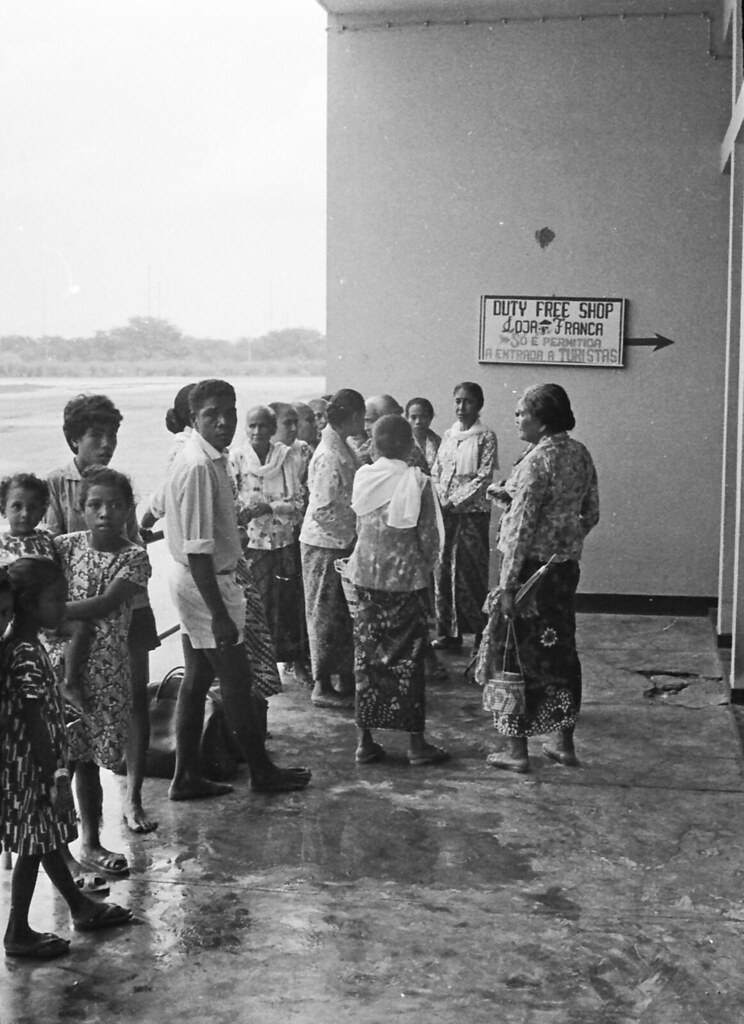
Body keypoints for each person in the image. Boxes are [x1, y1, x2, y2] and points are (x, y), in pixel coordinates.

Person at [162, 378, 311, 798]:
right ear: (194, 419)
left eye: (229, 412)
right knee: (237, 681)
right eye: (212, 414)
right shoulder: (195, 466)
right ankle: (262, 772)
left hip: (207, 580)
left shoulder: (211, 458)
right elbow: (196, 551)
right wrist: (220, 614)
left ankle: (184, 776)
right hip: (205, 584)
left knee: (195, 683)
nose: (224, 422)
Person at [1, 558, 132, 959]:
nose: (63, 607)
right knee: (33, 846)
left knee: (45, 839)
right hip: (34, 771)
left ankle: (79, 907)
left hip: (31, 769)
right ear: (28, 605)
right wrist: (56, 775)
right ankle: (17, 931)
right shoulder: (23, 653)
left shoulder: (22, 646)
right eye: (55, 599)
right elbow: (35, 723)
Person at [45, 393, 159, 835]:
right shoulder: (56, 484)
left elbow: (132, 542)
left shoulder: (117, 483)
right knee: (80, 713)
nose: (107, 444)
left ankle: (132, 798)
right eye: (96, 436)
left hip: (126, 606)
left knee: (134, 700)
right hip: (73, 619)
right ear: (74, 439)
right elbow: (47, 548)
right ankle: (75, 823)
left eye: (113, 436)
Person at [475, 383, 599, 773]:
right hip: (563, 570)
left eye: (522, 413)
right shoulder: (579, 454)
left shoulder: (535, 462)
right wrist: (564, 538)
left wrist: (508, 586)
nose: (516, 420)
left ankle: (515, 751)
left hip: (529, 572)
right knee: (560, 652)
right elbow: (590, 513)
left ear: (542, 418)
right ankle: (563, 743)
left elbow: (520, 531)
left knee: (514, 654)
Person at [50, 467, 152, 878]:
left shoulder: (134, 557)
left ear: (129, 510)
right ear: (81, 509)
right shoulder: (64, 547)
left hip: (107, 671)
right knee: (62, 764)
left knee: (89, 759)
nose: (104, 513)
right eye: (95, 505)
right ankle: (59, 850)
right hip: (60, 668)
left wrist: (48, 614)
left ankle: (90, 842)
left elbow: (103, 605)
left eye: (114, 505)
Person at [345, 415, 449, 766]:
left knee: (367, 660)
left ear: (374, 444)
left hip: (366, 579)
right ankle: (415, 744)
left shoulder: (363, 477)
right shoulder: (418, 483)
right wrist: (421, 571)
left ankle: (365, 741)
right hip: (405, 583)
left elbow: (359, 526)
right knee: (408, 662)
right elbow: (431, 542)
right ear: (410, 445)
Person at [230, 405, 310, 686]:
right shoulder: (237, 459)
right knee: (256, 606)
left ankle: (296, 662)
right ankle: (261, 670)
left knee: (290, 603)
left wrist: (268, 507)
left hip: (283, 542)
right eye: (252, 426)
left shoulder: (287, 457)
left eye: (263, 426)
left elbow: (298, 503)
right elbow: (230, 501)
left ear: (272, 428)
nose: (257, 432)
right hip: (252, 545)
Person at [299, 388, 365, 709]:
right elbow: (324, 509)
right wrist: (351, 535)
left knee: (339, 615)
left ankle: (341, 677)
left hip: (338, 542)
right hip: (325, 543)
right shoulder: (328, 453)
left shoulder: (341, 446)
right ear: (353, 417)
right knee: (323, 615)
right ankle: (321, 684)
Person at [431, 381, 498, 652]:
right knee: (444, 570)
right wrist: (441, 498)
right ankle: (448, 632)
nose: (461, 407)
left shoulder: (486, 437)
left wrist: (455, 502)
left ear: (479, 405)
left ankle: (480, 635)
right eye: (457, 401)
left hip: (471, 514)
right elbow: (436, 469)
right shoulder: (449, 435)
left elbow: (483, 477)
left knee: (471, 571)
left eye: (467, 401)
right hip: (446, 513)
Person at [0, 474, 57, 562]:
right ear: (3, 510)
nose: (25, 514)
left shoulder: (49, 541)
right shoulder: (1, 544)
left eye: (32, 507)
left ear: (42, 512)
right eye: (17, 506)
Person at [405, 397, 441, 472]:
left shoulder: (439, 442)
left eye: (423, 417)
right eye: (413, 417)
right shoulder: (401, 443)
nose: (418, 422)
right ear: (407, 418)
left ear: (430, 418)